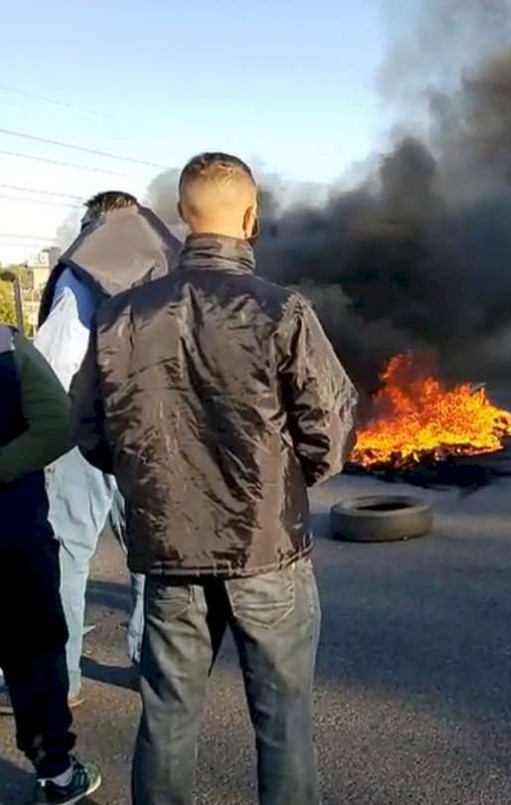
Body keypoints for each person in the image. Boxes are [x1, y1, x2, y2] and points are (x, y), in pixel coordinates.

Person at [71, 152, 357, 805]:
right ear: (251, 219)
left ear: (181, 217)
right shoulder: (282, 311)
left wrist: (153, 481)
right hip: (268, 553)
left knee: (168, 718)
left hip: (168, 553)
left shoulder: (121, 316)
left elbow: (89, 427)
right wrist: (280, 486)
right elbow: (332, 431)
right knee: (283, 724)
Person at [33, 191, 180, 705]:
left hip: (87, 431)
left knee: (68, 553)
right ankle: (151, 665)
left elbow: (56, 363)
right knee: (150, 554)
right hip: (153, 433)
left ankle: (62, 678)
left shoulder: (84, 273)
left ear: (94, 223)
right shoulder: (172, 267)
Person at [0, 325, 102, 804]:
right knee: (34, 657)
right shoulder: (6, 346)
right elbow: (59, 426)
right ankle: (57, 775)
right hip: (12, 536)